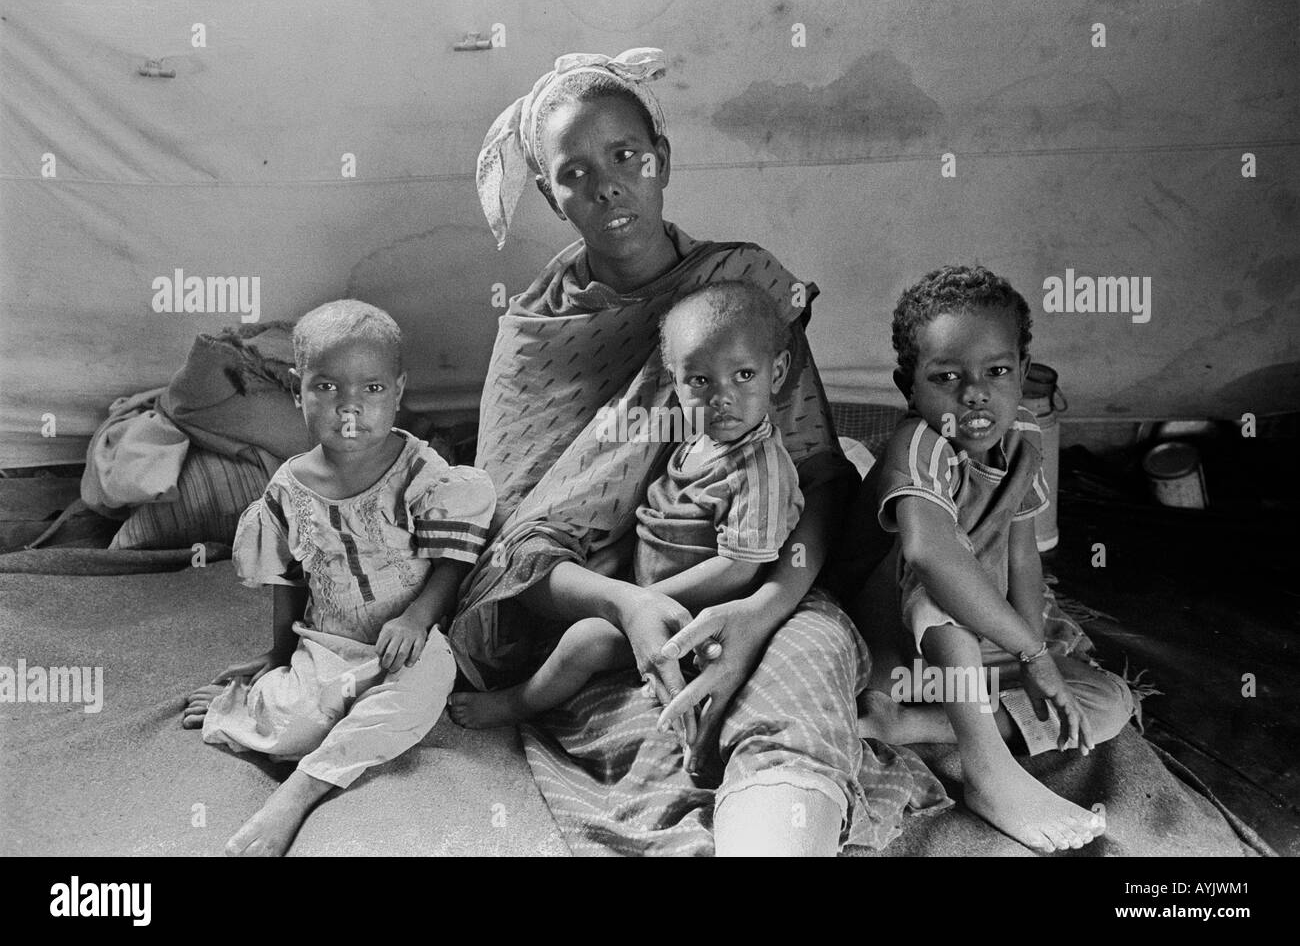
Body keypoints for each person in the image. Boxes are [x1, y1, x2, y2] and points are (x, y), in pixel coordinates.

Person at [453, 48, 949, 856]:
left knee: (809, 650)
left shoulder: (739, 289)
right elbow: (512, 556)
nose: (607, 184)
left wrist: (759, 611)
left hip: (750, 575)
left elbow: (820, 475)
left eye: (625, 156)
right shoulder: (535, 335)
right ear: (550, 194)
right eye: (574, 173)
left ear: (663, 159)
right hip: (593, 613)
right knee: (667, 701)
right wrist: (628, 606)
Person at [182, 299, 495, 856]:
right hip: (328, 645)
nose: (349, 409)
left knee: (425, 684)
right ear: (297, 389)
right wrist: (277, 657)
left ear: (398, 391)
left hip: (410, 643)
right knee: (288, 727)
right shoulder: (287, 489)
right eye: (327, 388)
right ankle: (253, 705)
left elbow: (452, 560)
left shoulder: (422, 473)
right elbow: (288, 579)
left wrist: (418, 617)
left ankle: (301, 791)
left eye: (371, 389)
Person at [844, 264, 1133, 853]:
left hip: (972, 663)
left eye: (997, 372)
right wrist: (1026, 650)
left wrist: (1039, 655)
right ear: (909, 387)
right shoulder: (919, 445)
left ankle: (914, 727)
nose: (974, 393)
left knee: (1108, 704)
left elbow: (1024, 560)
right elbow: (930, 557)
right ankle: (988, 771)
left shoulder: (1022, 435)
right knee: (941, 581)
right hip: (894, 642)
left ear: (1022, 373)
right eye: (946, 376)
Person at [447, 281, 802, 731]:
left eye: (744, 375)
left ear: (778, 371)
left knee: (584, 641)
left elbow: (738, 569)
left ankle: (517, 705)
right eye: (700, 380)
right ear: (674, 382)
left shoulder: (760, 469)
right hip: (648, 584)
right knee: (550, 576)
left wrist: (645, 603)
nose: (722, 397)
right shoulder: (698, 438)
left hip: (695, 617)